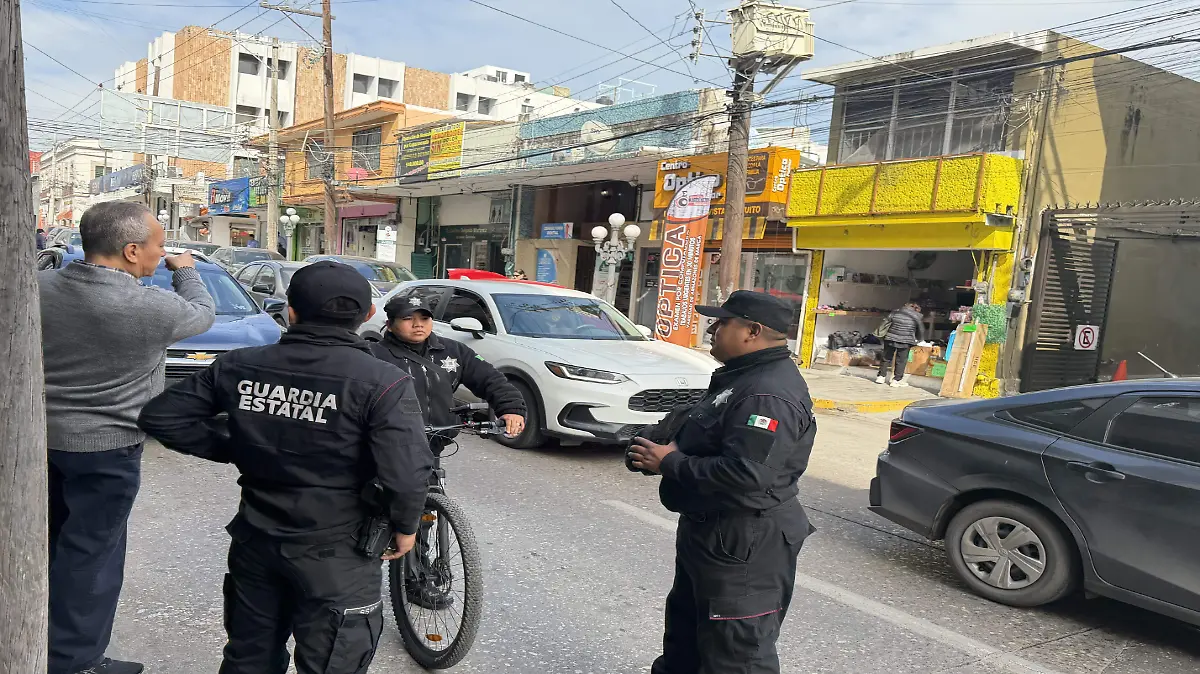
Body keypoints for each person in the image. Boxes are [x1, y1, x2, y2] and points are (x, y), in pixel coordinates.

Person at [137, 261, 433, 673]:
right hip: (339, 553)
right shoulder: (382, 381)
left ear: (289, 310)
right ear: (368, 315)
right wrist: (406, 527)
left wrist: (239, 445)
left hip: (257, 541)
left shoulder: (239, 365)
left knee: (250, 659)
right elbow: (405, 471)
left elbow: (162, 417)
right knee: (333, 662)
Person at [39, 201, 216, 674]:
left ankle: (33, 639)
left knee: (46, 544)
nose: (163, 254)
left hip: (40, 442)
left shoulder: (37, 288)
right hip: (107, 450)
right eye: (159, 246)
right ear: (132, 250)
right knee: (92, 557)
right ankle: (75, 662)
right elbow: (202, 314)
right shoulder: (150, 306)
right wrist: (187, 271)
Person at [627, 290, 817, 674]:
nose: (712, 328)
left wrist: (672, 464)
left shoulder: (768, 394)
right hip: (711, 533)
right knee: (687, 642)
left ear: (752, 331)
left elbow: (749, 475)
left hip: (744, 544)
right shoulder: (742, 377)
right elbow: (705, 432)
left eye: (722, 322)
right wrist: (653, 447)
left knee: (736, 656)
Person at [369, 294, 526, 441]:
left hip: (437, 439)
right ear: (389, 325)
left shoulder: (454, 350)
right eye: (408, 318)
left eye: (425, 318)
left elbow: (490, 379)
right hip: (390, 443)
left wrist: (511, 408)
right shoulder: (373, 355)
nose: (418, 325)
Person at [876, 301, 928, 387]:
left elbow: (885, 323)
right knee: (901, 361)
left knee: (886, 357)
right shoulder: (917, 316)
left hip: (890, 338)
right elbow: (921, 329)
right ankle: (896, 380)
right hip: (905, 340)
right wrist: (920, 340)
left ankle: (881, 377)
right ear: (916, 309)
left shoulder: (895, 312)